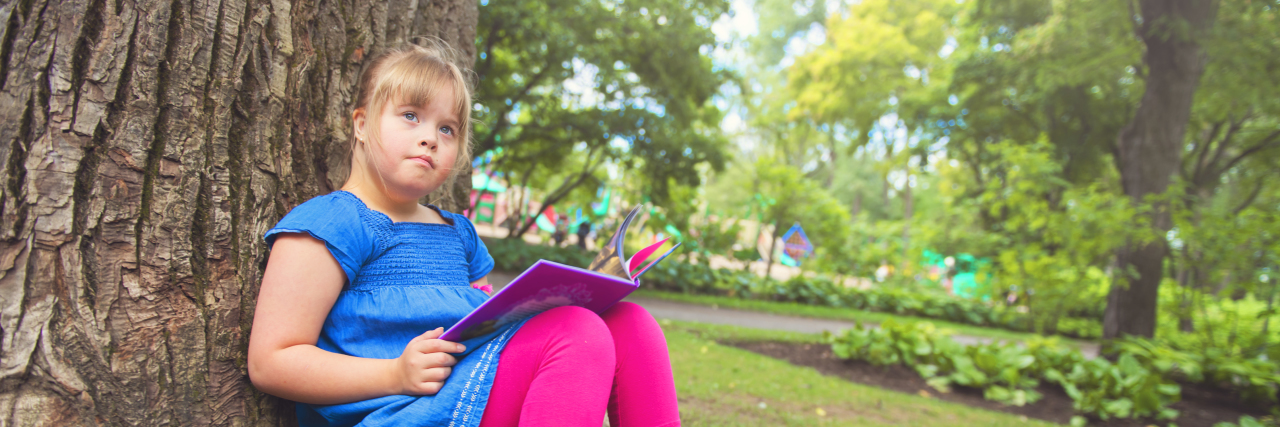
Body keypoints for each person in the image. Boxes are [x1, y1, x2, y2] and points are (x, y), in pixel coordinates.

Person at [247, 40, 681, 427]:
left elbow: (483, 328)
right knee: (576, 332)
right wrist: (395, 373)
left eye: (447, 128)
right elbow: (271, 362)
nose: (430, 139)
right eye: (410, 116)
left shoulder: (458, 234)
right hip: (398, 407)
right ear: (360, 124)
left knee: (630, 323)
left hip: (473, 389)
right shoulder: (334, 222)